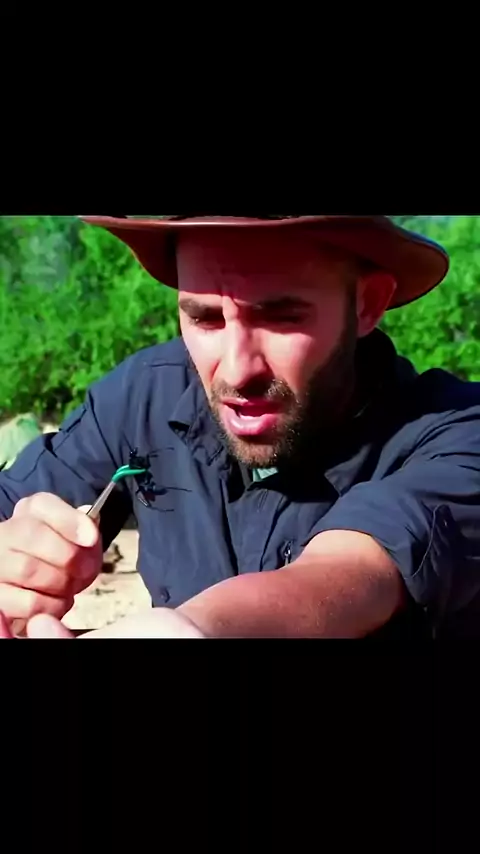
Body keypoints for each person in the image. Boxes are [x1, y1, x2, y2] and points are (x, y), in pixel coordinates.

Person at [0, 214, 479, 640]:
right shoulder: (143, 396)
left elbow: (351, 572)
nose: (236, 370)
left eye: (282, 317)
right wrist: (17, 557)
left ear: (367, 304)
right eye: (205, 319)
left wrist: (191, 629)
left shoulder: (455, 431)